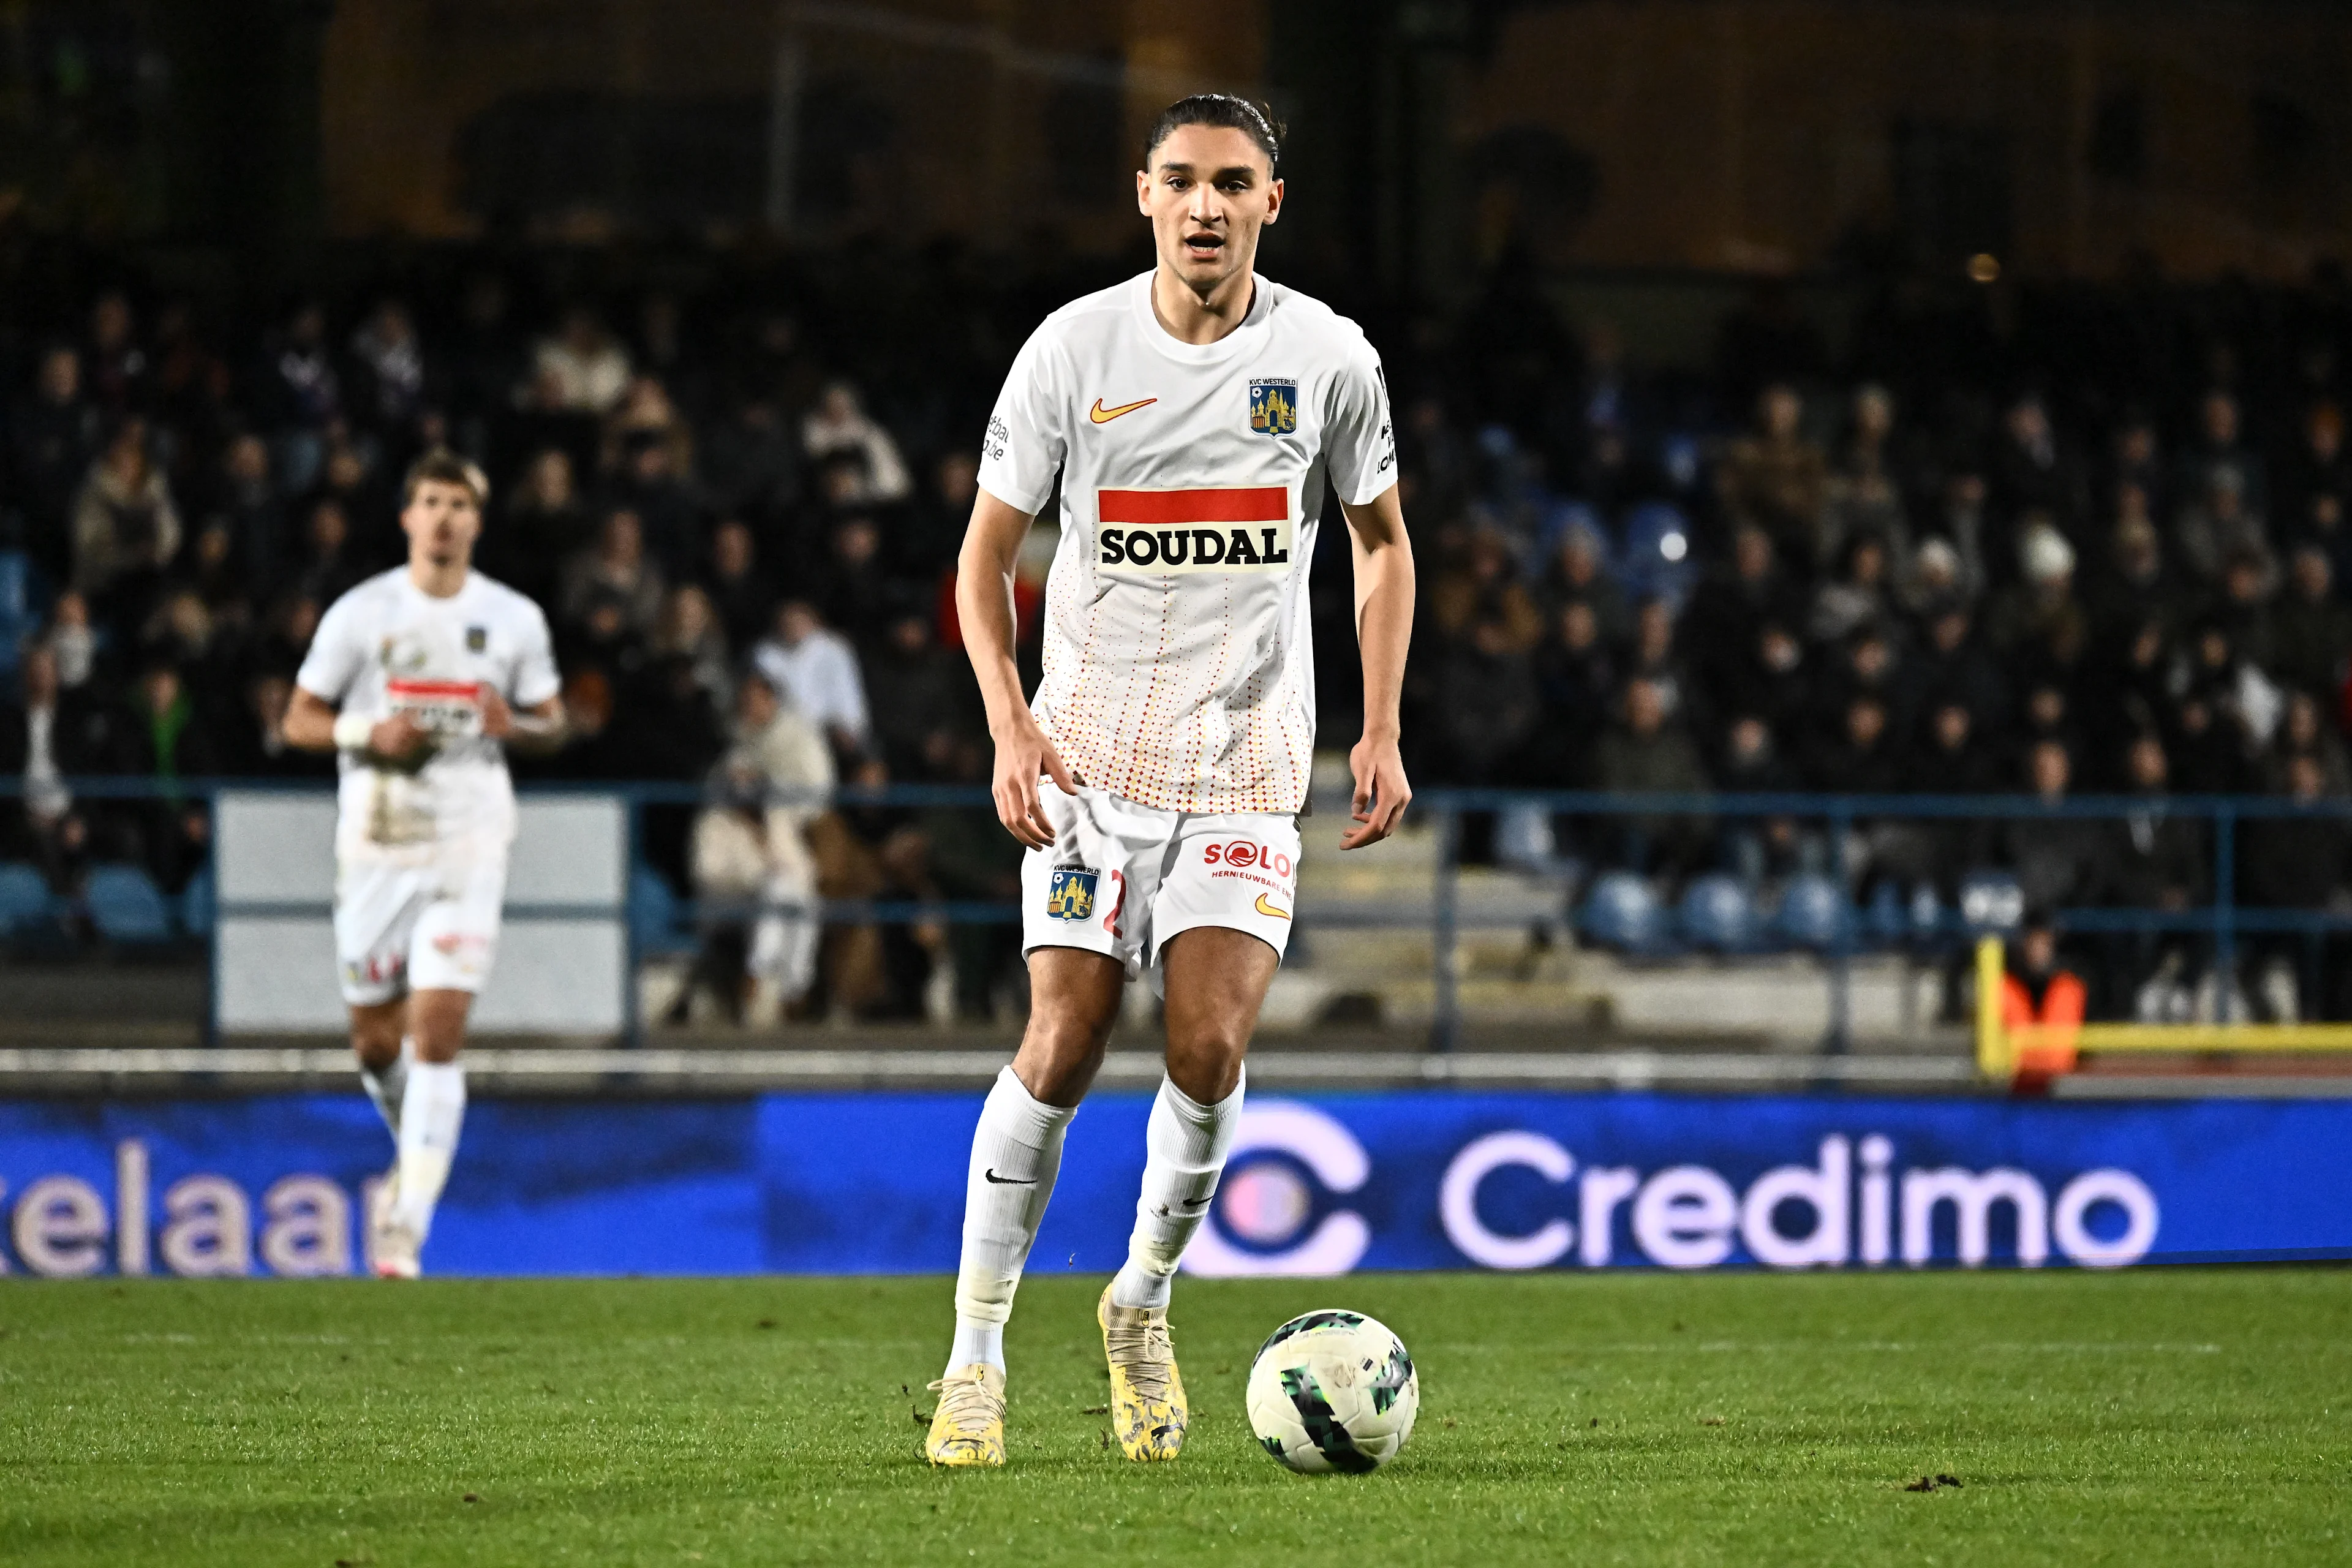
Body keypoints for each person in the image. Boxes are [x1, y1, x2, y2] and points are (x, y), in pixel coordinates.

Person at [926, 94, 1412, 1469]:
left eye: (1235, 184)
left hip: (1250, 764)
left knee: (1207, 1047)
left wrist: (1376, 728)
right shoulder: (1072, 351)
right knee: (1064, 1043)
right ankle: (974, 1355)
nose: (1207, 207)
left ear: (1273, 201)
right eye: (1184, 182)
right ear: (1143, 194)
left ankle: (1140, 1302)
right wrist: (1011, 725)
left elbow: (1382, 545)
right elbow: (981, 565)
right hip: (1091, 763)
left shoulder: (1326, 358)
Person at [279, 451, 567, 1279]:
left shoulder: (513, 618)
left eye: (460, 505)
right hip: (376, 846)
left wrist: (520, 723)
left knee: (435, 1035)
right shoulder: (361, 613)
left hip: (471, 840)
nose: (444, 518)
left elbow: (553, 723)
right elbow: (298, 719)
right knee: (376, 1044)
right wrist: (367, 733)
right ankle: (419, 1145)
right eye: (431, 502)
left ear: (477, 521)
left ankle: (402, 1228)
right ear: (407, 516)